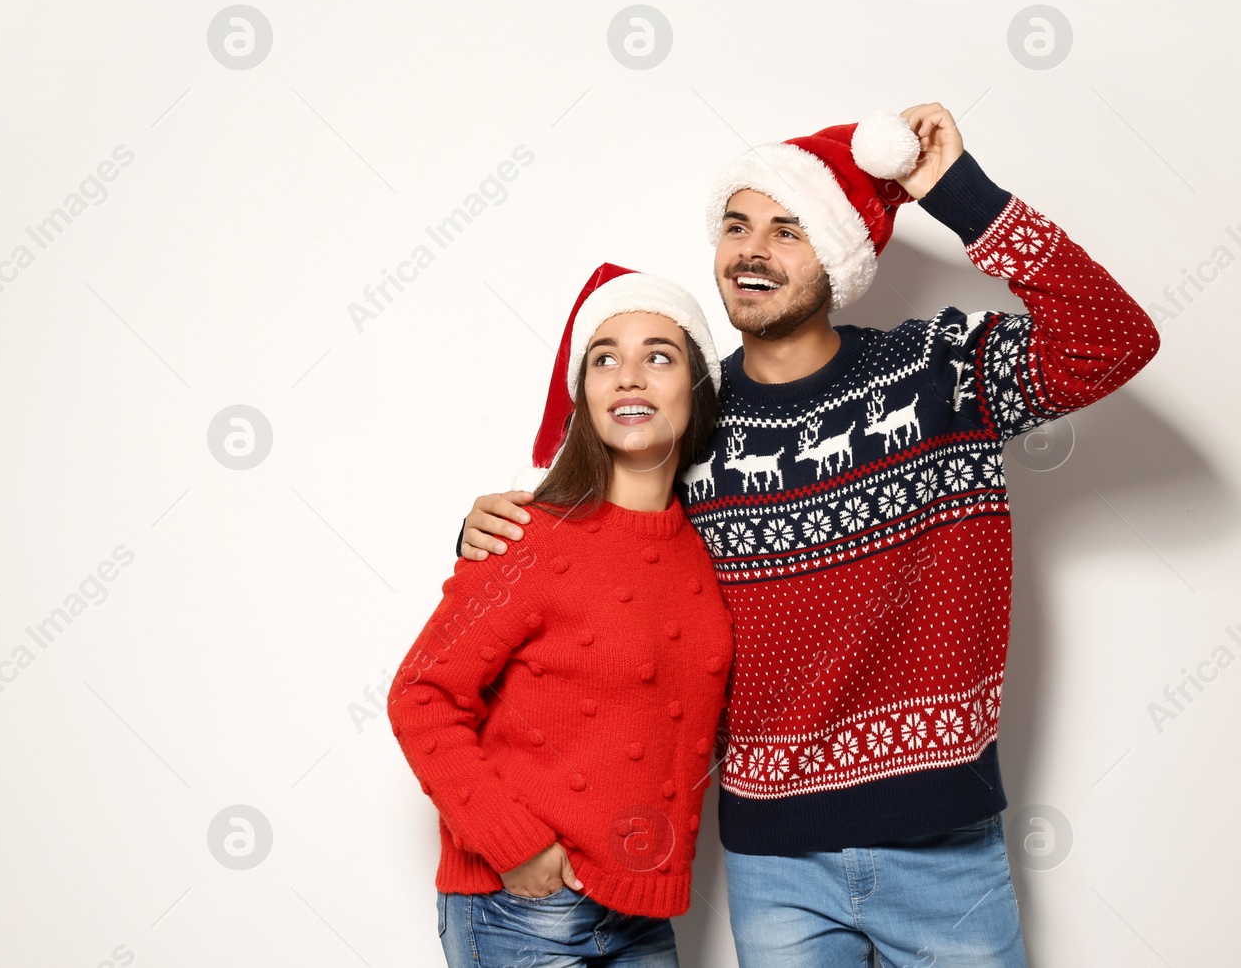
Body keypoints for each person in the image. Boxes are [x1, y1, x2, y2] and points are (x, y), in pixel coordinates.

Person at [459, 104, 1160, 967]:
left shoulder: (939, 374)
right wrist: (496, 527)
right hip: (770, 863)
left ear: (834, 255)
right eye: (737, 226)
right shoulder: (690, 424)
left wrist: (963, 197)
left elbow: (1113, 338)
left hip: (941, 842)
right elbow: (595, 556)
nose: (753, 249)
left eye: (788, 229)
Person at [388, 266, 734, 968]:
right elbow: (421, 696)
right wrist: (513, 845)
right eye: (604, 358)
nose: (628, 376)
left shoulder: (709, 551)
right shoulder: (529, 535)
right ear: (584, 394)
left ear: (696, 390)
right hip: (520, 908)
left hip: (642, 915)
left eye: (658, 356)